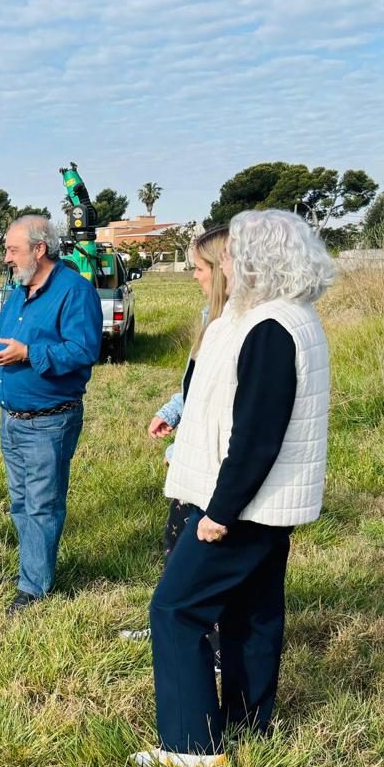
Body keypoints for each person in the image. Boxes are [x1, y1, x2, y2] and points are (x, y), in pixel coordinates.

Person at [135, 209, 333, 767]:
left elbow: (257, 432)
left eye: (230, 255)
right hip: (271, 503)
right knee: (252, 614)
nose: (223, 264)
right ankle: (248, 728)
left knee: (175, 608)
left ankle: (191, 748)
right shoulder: (293, 316)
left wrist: (220, 510)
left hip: (245, 505)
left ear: (256, 260)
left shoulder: (270, 326)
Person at [0, 215, 102, 614]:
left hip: (50, 420)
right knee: (19, 501)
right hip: (12, 418)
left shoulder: (75, 291)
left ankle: (34, 588)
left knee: (42, 504)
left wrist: (29, 354)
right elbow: (4, 339)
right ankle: (31, 571)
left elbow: (84, 351)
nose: (7, 257)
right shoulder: (18, 291)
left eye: (13, 250)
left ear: (39, 249)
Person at [121, 225, 230, 643]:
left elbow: (222, 407)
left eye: (200, 267)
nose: (195, 276)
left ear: (223, 269)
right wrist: (173, 411)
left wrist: (186, 448)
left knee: (205, 559)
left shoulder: (239, 327)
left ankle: (213, 645)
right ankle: (172, 626)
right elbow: (196, 385)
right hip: (194, 458)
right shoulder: (210, 317)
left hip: (215, 466)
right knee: (178, 545)